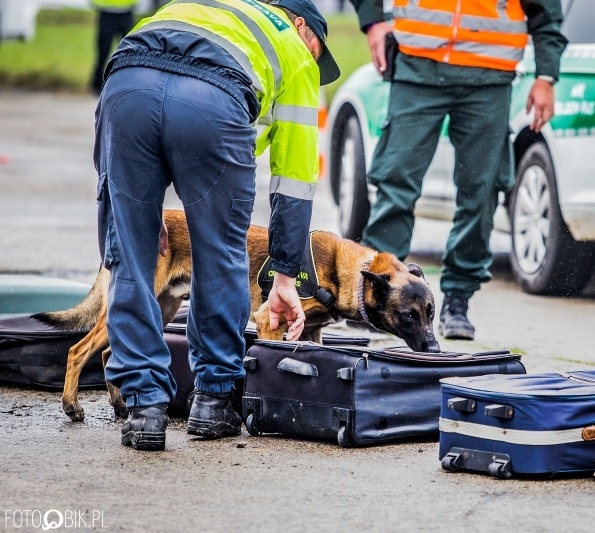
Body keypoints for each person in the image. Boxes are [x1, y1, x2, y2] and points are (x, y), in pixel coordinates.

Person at [94, 0, 339, 450]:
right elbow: (296, 181)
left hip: (125, 86)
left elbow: (122, 95)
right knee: (222, 252)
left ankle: (144, 407)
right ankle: (213, 401)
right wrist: (286, 271)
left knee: (132, 253)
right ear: (301, 23)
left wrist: (130, 212)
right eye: (318, 50)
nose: (314, 61)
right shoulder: (294, 51)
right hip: (212, 102)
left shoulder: (196, 8)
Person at [347, 0, 567, 340]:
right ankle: (376, 298)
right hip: (416, 65)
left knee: (481, 191)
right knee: (395, 182)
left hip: (489, 76)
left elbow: (546, 8)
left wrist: (546, 75)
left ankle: (457, 301)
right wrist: (372, 22)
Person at [90, 0, 138, 94]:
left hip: (127, 10)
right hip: (107, 10)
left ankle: (131, 83)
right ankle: (97, 85)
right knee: (103, 51)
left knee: (131, 51)